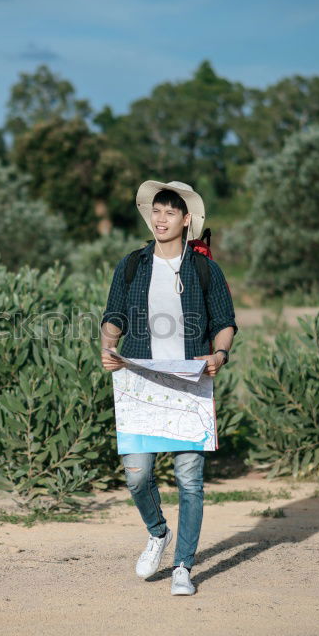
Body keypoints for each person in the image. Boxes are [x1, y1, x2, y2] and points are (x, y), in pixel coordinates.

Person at [99, 180, 237, 596]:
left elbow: (224, 323)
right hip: (139, 381)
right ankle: (158, 532)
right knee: (137, 474)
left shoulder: (204, 268)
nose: (160, 219)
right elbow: (114, 315)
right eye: (156, 211)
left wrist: (218, 356)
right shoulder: (132, 265)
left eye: (170, 212)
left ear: (186, 219)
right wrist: (108, 344)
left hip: (189, 385)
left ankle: (183, 566)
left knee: (189, 479)